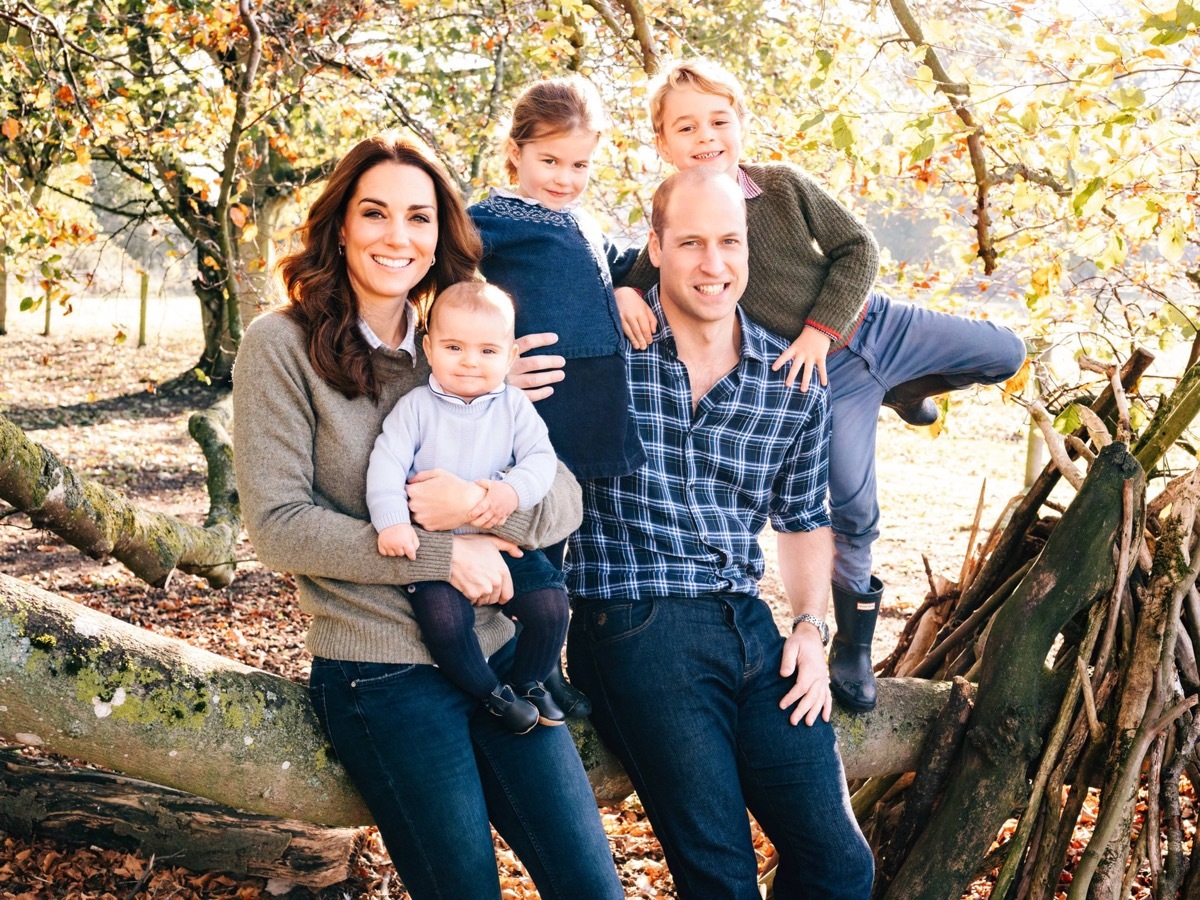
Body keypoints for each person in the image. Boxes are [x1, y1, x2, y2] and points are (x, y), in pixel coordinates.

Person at [231, 133, 623, 900]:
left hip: (501, 652)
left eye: (419, 217)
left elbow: (565, 497)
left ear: (441, 234)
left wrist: (483, 507)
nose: (397, 236)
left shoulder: (466, 346)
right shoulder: (278, 346)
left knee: (592, 887)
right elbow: (278, 525)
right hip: (382, 668)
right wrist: (446, 556)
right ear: (340, 225)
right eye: (375, 213)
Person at [614, 58, 1026, 711]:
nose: (706, 137)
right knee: (852, 508)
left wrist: (819, 328)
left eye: (719, 120)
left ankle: (908, 387)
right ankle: (854, 650)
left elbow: (857, 248)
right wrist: (622, 292)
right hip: (824, 380)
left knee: (1006, 351)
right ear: (662, 143)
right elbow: (642, 271)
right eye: (685, 127)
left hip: (875, 326)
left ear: (741, 124)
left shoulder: (782, 186)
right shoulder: (677, 218)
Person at [567, 166, 875, 899]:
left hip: (748, 623)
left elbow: (803, 517)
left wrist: (809, 626)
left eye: (729, 242)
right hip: (635, 622)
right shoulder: (603, 348)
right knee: (722, 878)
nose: (713, 263)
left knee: (841, 867)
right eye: (692, 242)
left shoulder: (790, 377)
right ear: (657, 247)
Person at [468, 74, 645, 715]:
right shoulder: (492, 219)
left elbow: (624, 261)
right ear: (516, 152)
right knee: (532, 538)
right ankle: (527, 664)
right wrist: (488, 359)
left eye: (580, 165)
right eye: (549, 161)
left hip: (594, 402)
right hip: (542, 402)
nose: (565, 178)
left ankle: (547, 662)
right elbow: (442, 284)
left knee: (564, 539)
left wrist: (625, 287)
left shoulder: (583, 220)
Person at [365, 281, 568, 733]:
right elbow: (385, 465)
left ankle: (530, 681)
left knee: (551, 605)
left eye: (487, 351)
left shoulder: (515, 407)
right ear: (429, 347)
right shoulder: (415, 408)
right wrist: (393, 523)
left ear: (511, 356)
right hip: (434, 547)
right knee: (445, 622)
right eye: (454, 346)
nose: (470, 362)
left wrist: (509, 492)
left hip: (498, 541)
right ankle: (491, 694)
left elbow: (540, 460)